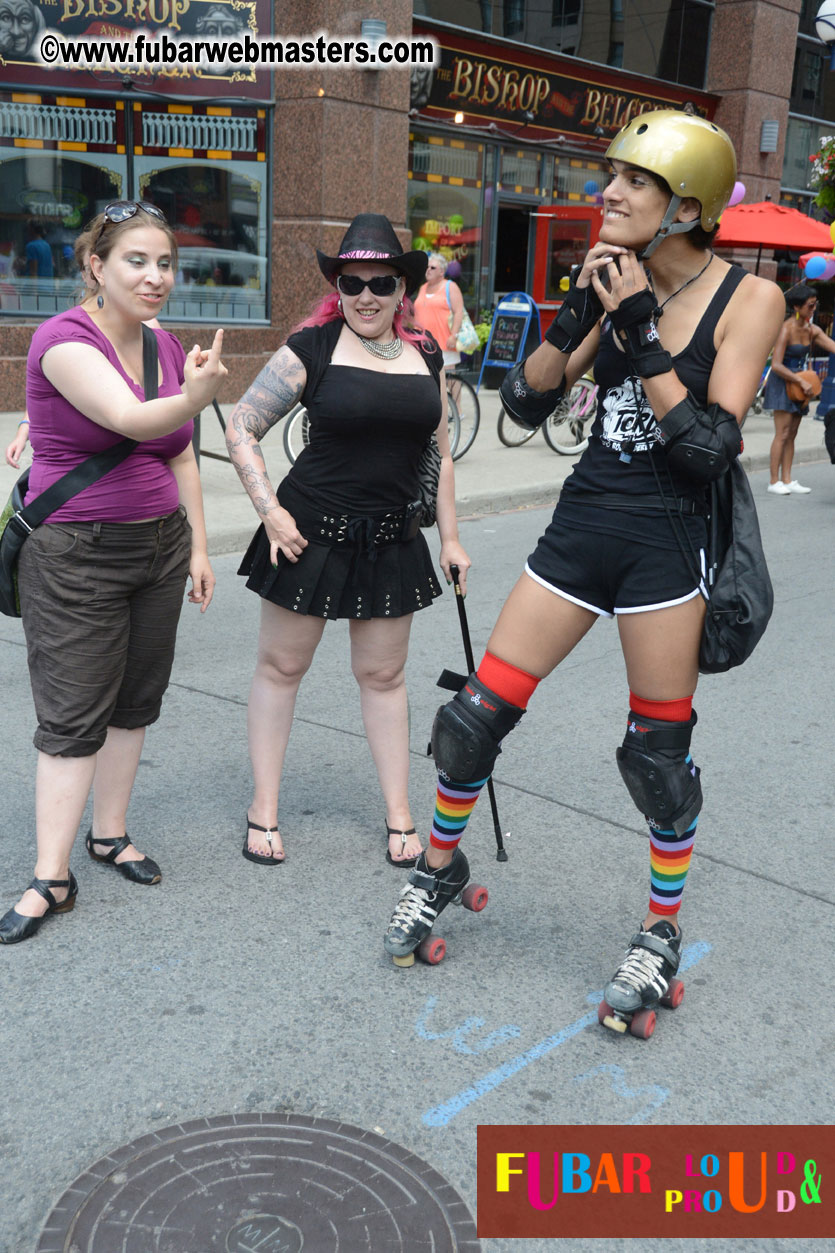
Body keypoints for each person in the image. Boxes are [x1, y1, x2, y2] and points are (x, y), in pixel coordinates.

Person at [383, 111, 784, 1026]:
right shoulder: (610, 277)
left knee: (657, 759)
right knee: (470, 719)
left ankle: (659, 931)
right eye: (612, 175)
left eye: (634, 181)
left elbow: (707, 450)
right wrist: (582, 312)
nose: (609, 191)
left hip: (665, 547)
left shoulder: (747, 298)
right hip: (581, 526)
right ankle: (439, 868)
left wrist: (639, 329)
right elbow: (524, 404)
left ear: (685, 206)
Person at [0, 201, 226, 945]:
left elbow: (181, 451)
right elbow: (132, 420)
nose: (155, 276)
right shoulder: (62, 340)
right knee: (72, 717)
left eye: (165, 263)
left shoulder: (164, 345)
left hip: (159, 546)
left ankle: (110, 834)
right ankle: (50, 877)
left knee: (135, 701)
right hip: (77, 553)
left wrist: (197, 547)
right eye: (136, 260)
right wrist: (196, 395)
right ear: (96, 266)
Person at [226, 213, 470, 868]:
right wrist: (271, 513)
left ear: (402, 288)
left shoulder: (425, 353)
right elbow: (241, 425)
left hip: (391, 538)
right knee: (281, 668)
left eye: (380, 283)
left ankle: (399, 814)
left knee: (384, 676)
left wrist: (450, 539)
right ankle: (264, 808)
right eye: (352, 282)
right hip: (308, 534)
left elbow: (440, 455)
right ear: (337, 287)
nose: (366, 295)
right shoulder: (311, 348)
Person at [765, 284, 835, 495]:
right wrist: (800, 381)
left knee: (793, 433)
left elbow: (832, 346)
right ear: (797, 307)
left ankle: (787, 479)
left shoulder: (811, 329)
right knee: (782, 433)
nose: (814, 309)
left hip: (801, 383)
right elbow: (776, 365)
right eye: (810, 306)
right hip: (784, 381)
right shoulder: (786, 329)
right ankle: (774, 481)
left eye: (815, 305)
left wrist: (802, 382)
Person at [414, 252, 464, 370]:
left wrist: (454, 336)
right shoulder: (422, 288)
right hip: (422, 344)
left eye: (432, 268)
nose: (428, 270)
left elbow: (459, 312)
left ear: (442, 271)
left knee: (448, 378)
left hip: (444, 344)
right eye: (427, 267)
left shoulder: (450, 287)